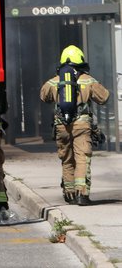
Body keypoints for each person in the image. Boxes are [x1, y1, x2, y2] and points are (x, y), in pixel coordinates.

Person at [40, 45, 109, 206]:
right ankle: (82, 194)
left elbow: (43, 96)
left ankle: (69, 193)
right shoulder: (87, 79)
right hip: (81, 125)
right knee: (82, 158)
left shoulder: (55, 81)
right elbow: (104, 97)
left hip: (61, 126)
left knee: (67, 159)